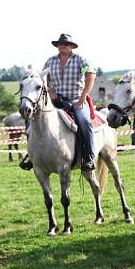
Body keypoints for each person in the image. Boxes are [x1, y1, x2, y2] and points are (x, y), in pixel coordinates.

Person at [43, 34, 98, 171]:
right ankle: (33, 156)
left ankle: (89, 157)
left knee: (84, 122)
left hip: (76, 100)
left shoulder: (80, 60)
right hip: (55, 100)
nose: (63, 45)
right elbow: (42, 78)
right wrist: (49, 90)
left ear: (72, 46)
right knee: (35, 119)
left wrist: (84, 95)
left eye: (66, 44)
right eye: (60, 43)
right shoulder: (50, 61)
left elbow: (91, 74)